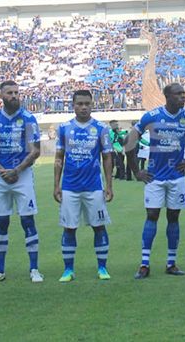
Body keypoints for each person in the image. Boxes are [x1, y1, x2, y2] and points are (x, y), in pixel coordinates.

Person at [125, 83, 185, 279]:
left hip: (177, 177)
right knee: (152, 216)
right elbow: (130, 141)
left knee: (174, 218)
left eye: (183, 94)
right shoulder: (152, 116)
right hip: (154, 178)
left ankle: (171, 263)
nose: (182, 97)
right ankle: (144, 264)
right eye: (178, 94)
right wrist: (136, 171)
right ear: (167, 96)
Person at [0, 81, 43, 284]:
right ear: (0, 96)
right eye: (10, 92)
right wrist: (1, 171)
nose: (15, 95)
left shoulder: (28, 119)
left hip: (22, 176)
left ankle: (34, 269)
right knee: (1, 222)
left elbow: (35, 150)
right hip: (0, 177)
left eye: (17, 92)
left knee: (27, 221)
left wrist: (16, 170)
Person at [53, 90, 114, 282]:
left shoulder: (101, 128)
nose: (83, 107)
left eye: (87, 103)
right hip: (70, 187)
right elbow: (59, 157)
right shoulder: (64, 128)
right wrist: (56, 185)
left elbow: (107, 157)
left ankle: (102, 268)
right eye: (79, 103)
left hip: (94, 187)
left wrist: (109, 185)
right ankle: (68, 270)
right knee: (69, 228)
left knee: (99, 226)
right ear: (73, 105)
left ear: (92, 104)